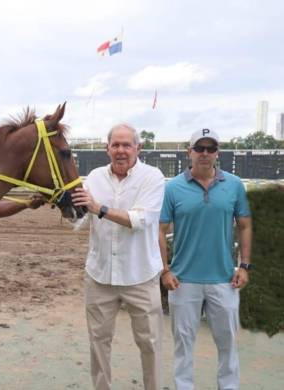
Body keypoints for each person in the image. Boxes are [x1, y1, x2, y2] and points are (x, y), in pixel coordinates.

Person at [71, 124, 166, 390]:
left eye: (127, 145)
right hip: (99, 275)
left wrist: (98, 208)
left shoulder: (153, 177)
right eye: (116, 145)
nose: (121, 150)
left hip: (141, 276)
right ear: (107, 148)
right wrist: (67, 207)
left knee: (151, 344)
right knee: (98, 343)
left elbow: (140, 219)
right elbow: (80, 220)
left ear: (138, 148)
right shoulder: (94, 177)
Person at [159, 129, 252, 390]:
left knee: (228, 345)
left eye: (211, 149)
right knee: (183, 346)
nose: (205, 153)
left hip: (224, 280)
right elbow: (160, 230)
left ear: (217, 153)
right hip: (183, 280)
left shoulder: (234, 185)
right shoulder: (173, 188)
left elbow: (244, 225)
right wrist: (165, 270)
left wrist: (244, 266)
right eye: (199, 148)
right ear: (189, 152)